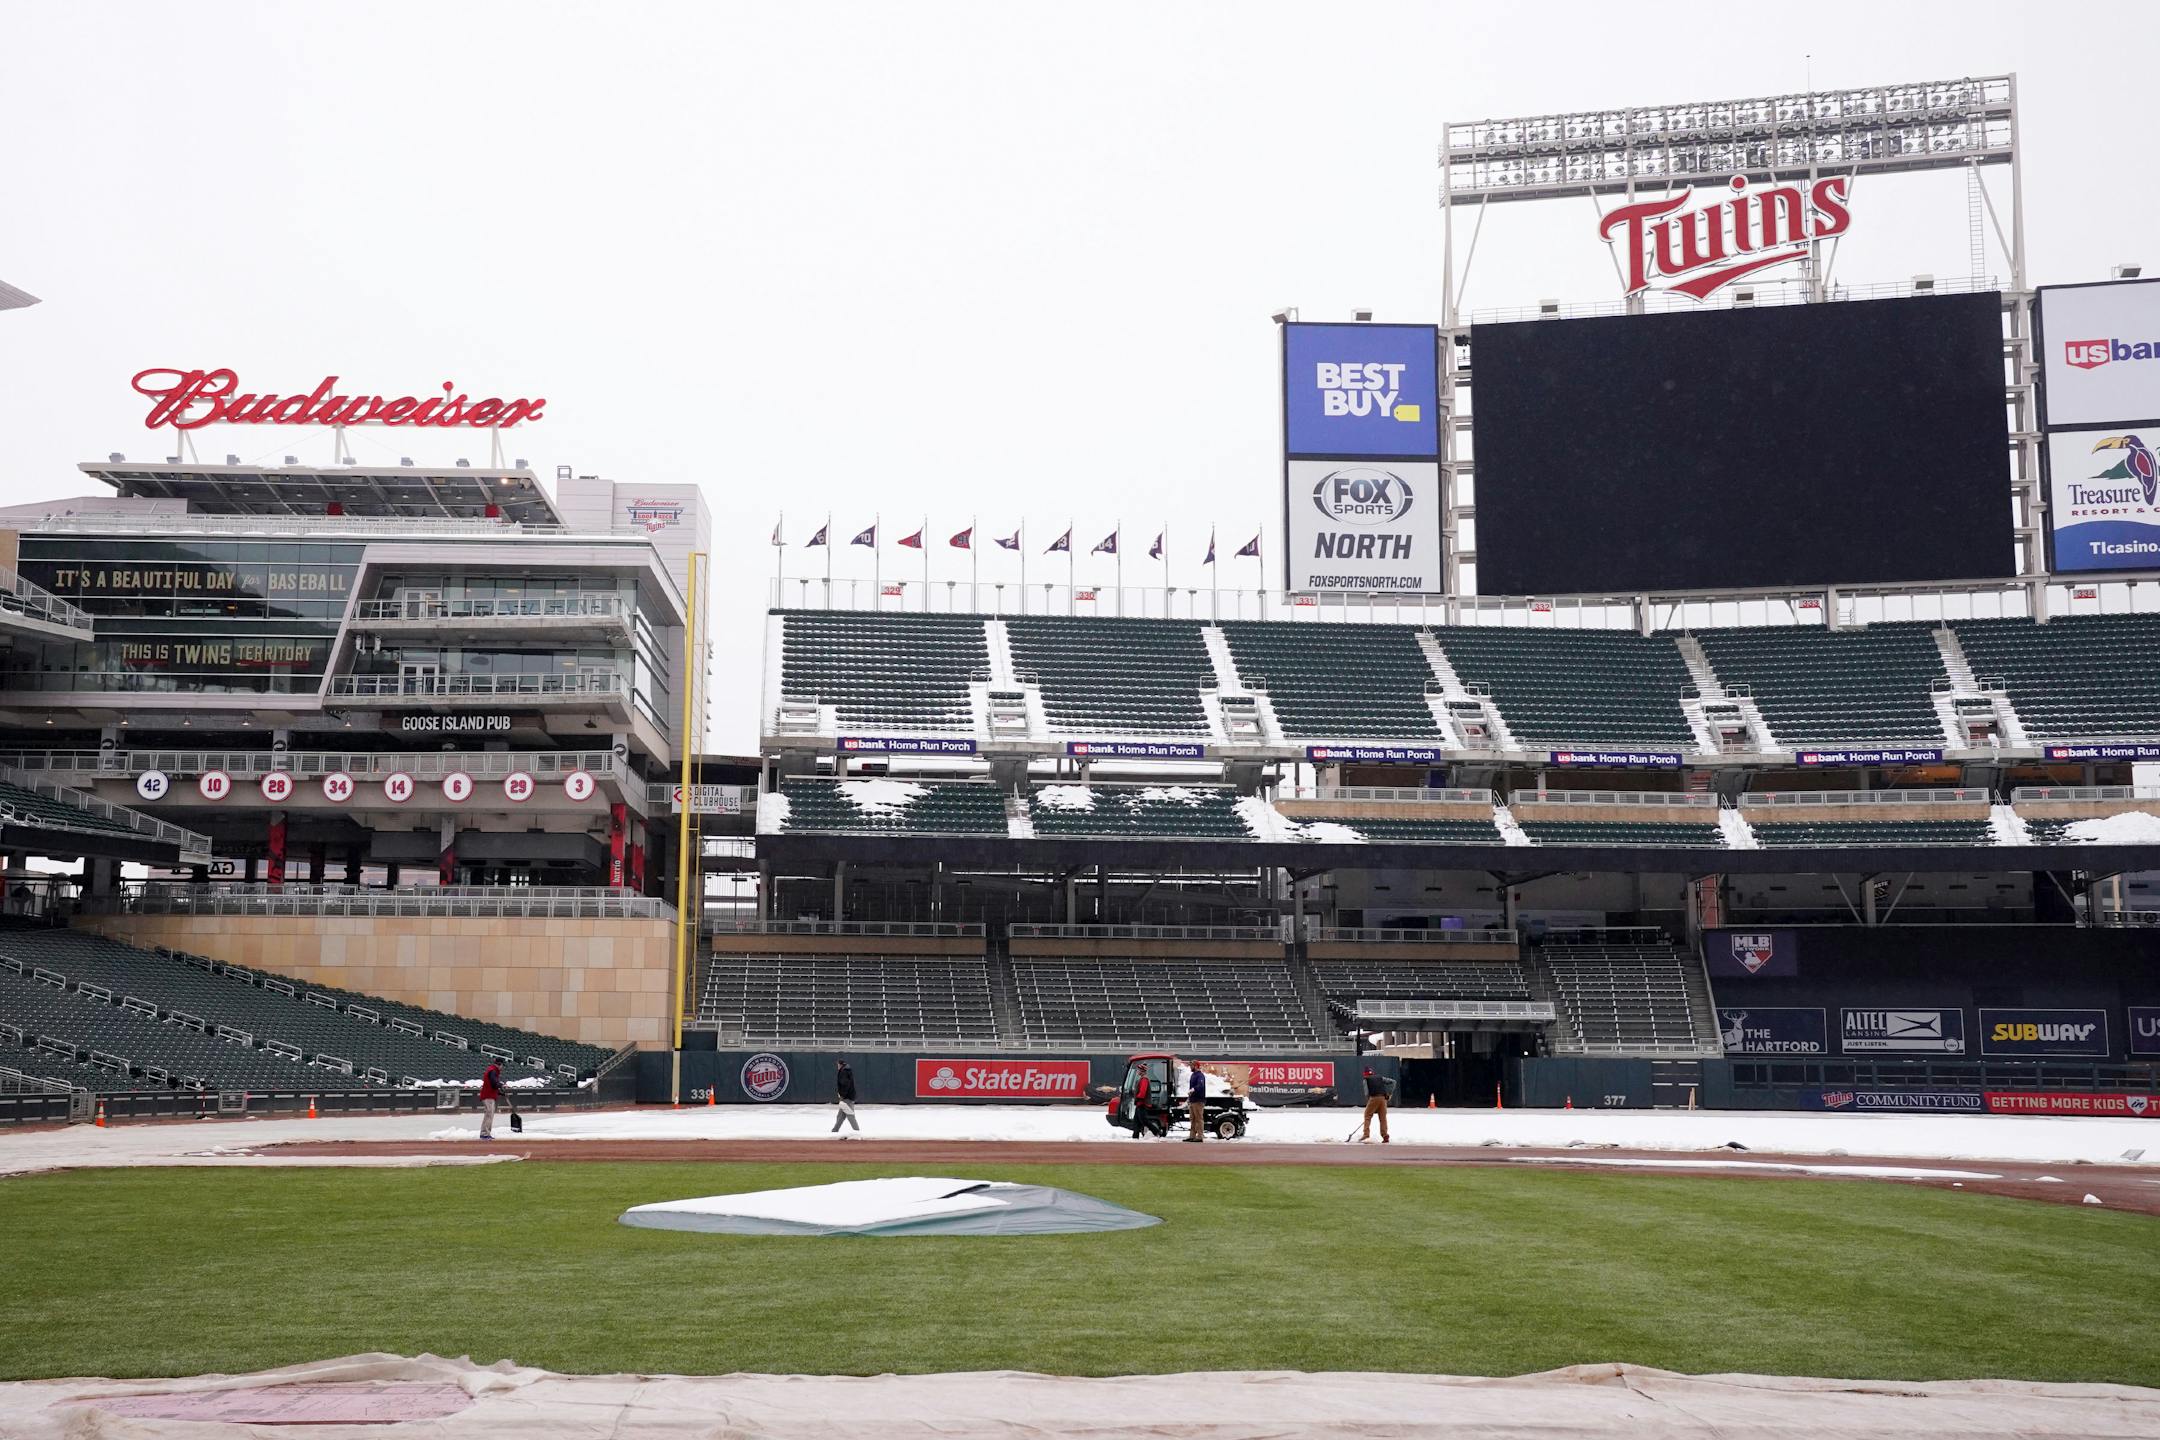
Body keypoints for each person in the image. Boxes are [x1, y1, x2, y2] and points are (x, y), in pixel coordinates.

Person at [1359, 1065, 1390, 1144]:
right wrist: (1389, 1093)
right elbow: (1393, 1082)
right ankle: (1385, 1135)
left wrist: (1369, 1101)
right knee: (1383, 1118)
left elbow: (1366, 1093)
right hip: (1383, 1099)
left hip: (1373, 1098)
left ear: (1365, 1074)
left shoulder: (1366, 1080)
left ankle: (1366, 1134)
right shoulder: (1380, 1078)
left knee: (1367, 1115)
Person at [832, 1058, 859, 1136]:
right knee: (840, 1115)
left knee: (850, 1115)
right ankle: (834, 1131)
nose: (837, 1066)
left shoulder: (843, 1071)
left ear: (840, 1064)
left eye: (837, 1064)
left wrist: (842, 1095)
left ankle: (857, 1131)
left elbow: (845, 1085)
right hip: (848, 1096)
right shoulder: (846, 1070)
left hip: (847, 1097)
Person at [478, 1060, 503, 1140]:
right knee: (489, 1114)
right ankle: (484, 1133)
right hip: (488, 1096)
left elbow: (492, 1085)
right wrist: (500, 1085)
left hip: (489, 1095)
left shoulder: (492, 1070)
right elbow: (494, 1083)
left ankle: (486, 1133)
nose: (502, 1068)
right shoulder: (492, 1071)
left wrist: (499, 1092)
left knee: (489, 1115)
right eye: (502, 1065)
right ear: (499, 1065)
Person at [1185, 1059, 1207, 1142]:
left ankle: (1200, 1136)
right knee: (1193, 1119)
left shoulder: (1200, 1075)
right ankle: (1192, 1136)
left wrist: (1193, 1089)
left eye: (1191, 1066)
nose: (1190, 1067)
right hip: (1193, 1100)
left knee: (1198, 1118)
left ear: (1196, 1066)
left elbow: (1200, 1085)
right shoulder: (1193, 1075)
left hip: (1198, 1100)